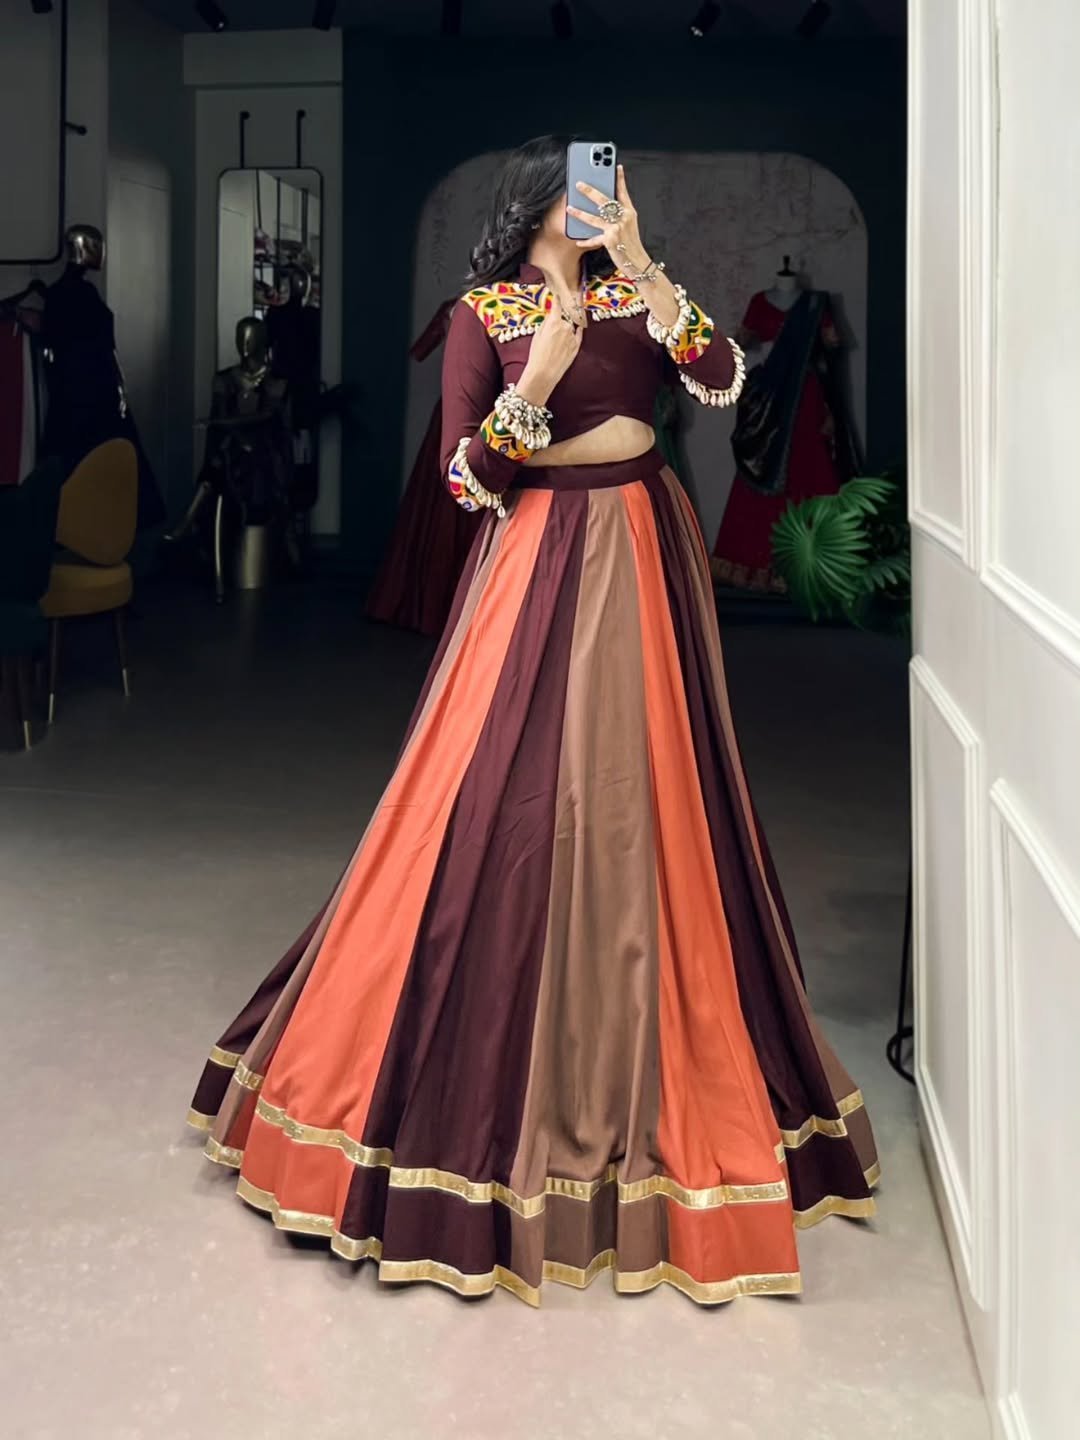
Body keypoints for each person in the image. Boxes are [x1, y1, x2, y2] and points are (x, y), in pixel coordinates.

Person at [189, 135, 879, 1307]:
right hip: (541, 556)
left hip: (647, 553)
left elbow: (720, 376)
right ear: (534, 205)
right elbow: (464, 480)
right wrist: (536, 382)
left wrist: (646, 266)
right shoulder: (486, 313)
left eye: (611, 189)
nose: (602, 200)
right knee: (507, 795)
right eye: (582, 189)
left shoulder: (633, 291)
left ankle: (657, 1037)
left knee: (655, 789)